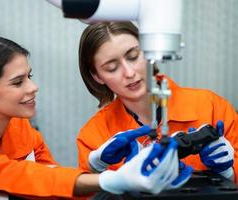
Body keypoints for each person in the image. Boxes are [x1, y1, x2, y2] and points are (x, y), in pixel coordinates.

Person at [0, 35, 188, 199]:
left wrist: (97, 171)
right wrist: (108, 180)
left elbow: (52, 183)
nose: (33, 87)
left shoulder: (23, 131)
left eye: (30, 76)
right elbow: (10, 173)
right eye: (18, 82)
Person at [77, 21, 238, 182]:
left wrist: (229, 173)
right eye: (112, 67)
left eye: (133, 57)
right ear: (97, 76)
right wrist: (98, 172)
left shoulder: (212, 108)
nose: (129, 72)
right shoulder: (94, 136)